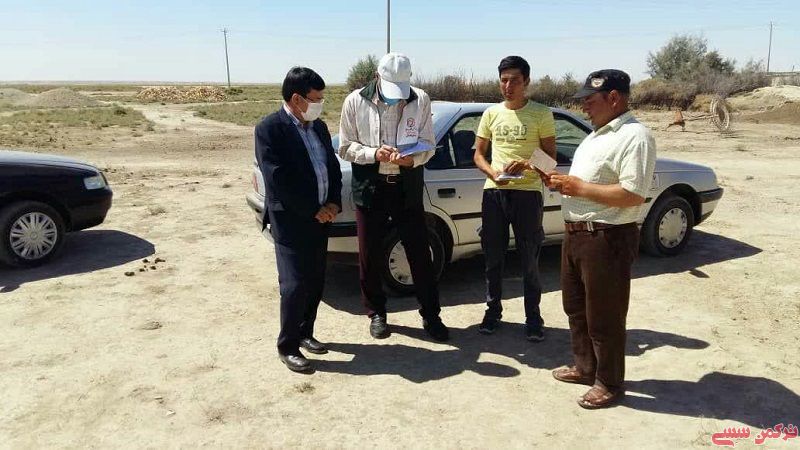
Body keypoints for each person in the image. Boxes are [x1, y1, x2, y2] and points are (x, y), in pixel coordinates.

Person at [545, 69, 656, 409]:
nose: (584, 108)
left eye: (590, 101)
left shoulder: (635, 136)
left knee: (605, 317)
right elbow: (590, 183)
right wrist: (563, 183)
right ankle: (585, 367)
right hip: (577, 235)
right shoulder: (595, 135)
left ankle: (609, 382)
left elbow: (633, 194)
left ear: (614, 98)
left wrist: (578, 188)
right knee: (576, 308)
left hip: (607, 238)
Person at [338, 52, 449, 342]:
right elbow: (345, 147)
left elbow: (428, 144)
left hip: (406, 186)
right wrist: (374, 153)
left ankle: (431, 314)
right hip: (371, 187)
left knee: (419, 253)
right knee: (369, 253)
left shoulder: (420, 99)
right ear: (377, 77)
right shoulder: (355, 101)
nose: (396, 97)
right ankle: (376, 313)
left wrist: (412, 159)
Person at [255, 67, 343, 373]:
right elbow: (277, 180)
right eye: (315, 99)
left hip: (322, 218)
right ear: (296, 99)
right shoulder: (269, 129)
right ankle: (288, 346)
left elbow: (332, 167)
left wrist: (333, 202)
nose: (320, 104)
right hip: (291, 221)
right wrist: (312, 209)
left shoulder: (318, 127)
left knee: (315, 279)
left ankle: (306, 332)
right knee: (294, 284)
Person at [472, 56, 557, 341]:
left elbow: (550, 159)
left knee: (529, 258)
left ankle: (533, 317)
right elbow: (478, 154)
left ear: (526, 82)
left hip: (528, 193)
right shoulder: (491, 113)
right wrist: (492, 173)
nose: (508, 86)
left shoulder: (541, 113)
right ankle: (493, 311)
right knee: (493, 257)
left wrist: (527, 164)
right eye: (504, 80)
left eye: (515, 81)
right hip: (494, 192)